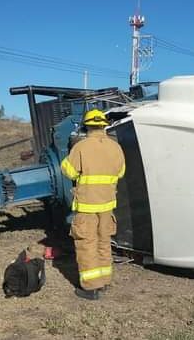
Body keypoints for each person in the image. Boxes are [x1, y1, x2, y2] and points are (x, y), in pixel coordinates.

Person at [60, 109, 125, 300]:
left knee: (87, 244)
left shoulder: (81, 147)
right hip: (107, 205)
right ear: (104, 125)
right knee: (104, 242)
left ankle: (90, 287)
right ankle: (104, 281)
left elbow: (68, 172)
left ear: (86, 125)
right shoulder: (116, 148)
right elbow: (120, 173)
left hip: (87, 205)